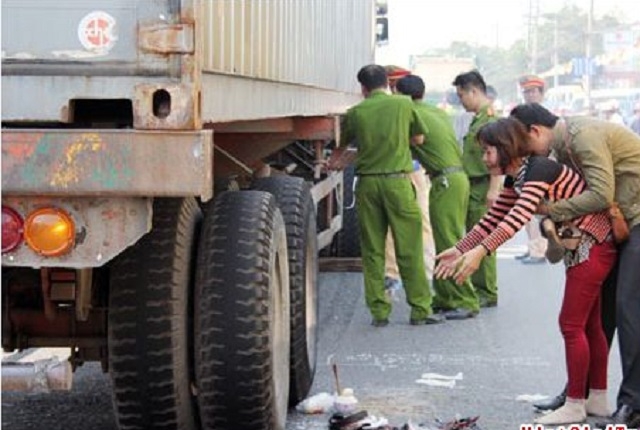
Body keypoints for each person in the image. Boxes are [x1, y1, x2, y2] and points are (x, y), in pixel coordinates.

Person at [435, 117, 617, 426]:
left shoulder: (538, 170)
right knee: (589, 326)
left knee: (572, 325)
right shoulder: (518, 177)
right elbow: (493, 218)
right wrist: (462, 247)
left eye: (488, 151)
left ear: (505, 148)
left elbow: (516, 218)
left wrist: (481, 252)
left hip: (592, 246)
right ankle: (596, 399)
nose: (484, 158)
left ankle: (575, 404)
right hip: (588, 246)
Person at [510, 103, 640, 428]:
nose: (523, 154)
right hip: (620, 223)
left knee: (627, 309)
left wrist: (551, 209)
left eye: (522, 144)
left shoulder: (583, 135)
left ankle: (633, 403)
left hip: (636, 219)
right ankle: (580, 395)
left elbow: (600, 193)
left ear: (535, 131)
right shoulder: (562, 146)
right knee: (601, 315)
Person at [327, 64, 444, 327]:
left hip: (368, 185)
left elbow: (341, 149)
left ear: (363, 89)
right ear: (386, 83)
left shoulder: (356, 112)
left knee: (373, 249)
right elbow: (419, 139)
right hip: (398, 183)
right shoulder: (404, 105)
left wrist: (336, 162)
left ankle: (379, 311)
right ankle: (420, 309)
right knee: (409, 246)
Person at [395, 74, 478, 320]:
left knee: (451, 243)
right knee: (446, 241)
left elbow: (410, 141)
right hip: (455, 178)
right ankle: (446, 297)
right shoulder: (436, 112)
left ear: (401, 95)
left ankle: (466, 300)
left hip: (445, 180)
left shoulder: (410, 114)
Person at [383, 67, 437, 294]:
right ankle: (394, 273)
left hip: (412, 172)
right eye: (392, 86)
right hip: (405, 172)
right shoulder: (394, 110)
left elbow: (419, 139)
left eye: (397, 86)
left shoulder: (413, 111)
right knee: (398, 225)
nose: (394, 91)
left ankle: (424, 273)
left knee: (421, 223)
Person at [452, 70, 500, 307]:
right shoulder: (478, 118)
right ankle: (480, 287)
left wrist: (494, 189)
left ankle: (486, 291)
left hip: (482, 185)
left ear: (474, 91)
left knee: (484, 238)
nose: (461, 101)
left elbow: (498, 157)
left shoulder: (489, 119)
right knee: (475, 235)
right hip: (473, 184)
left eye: (462, 95)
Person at [515, 75, 548, 264]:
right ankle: (533, 247)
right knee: (526, 212)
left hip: (539, 167)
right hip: (525, 166)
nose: (529, 95)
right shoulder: (523, 115)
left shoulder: (543, 115)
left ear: (541, 93)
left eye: (533, 91)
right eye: (526, 92)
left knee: (536, 211)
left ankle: (539, 250)